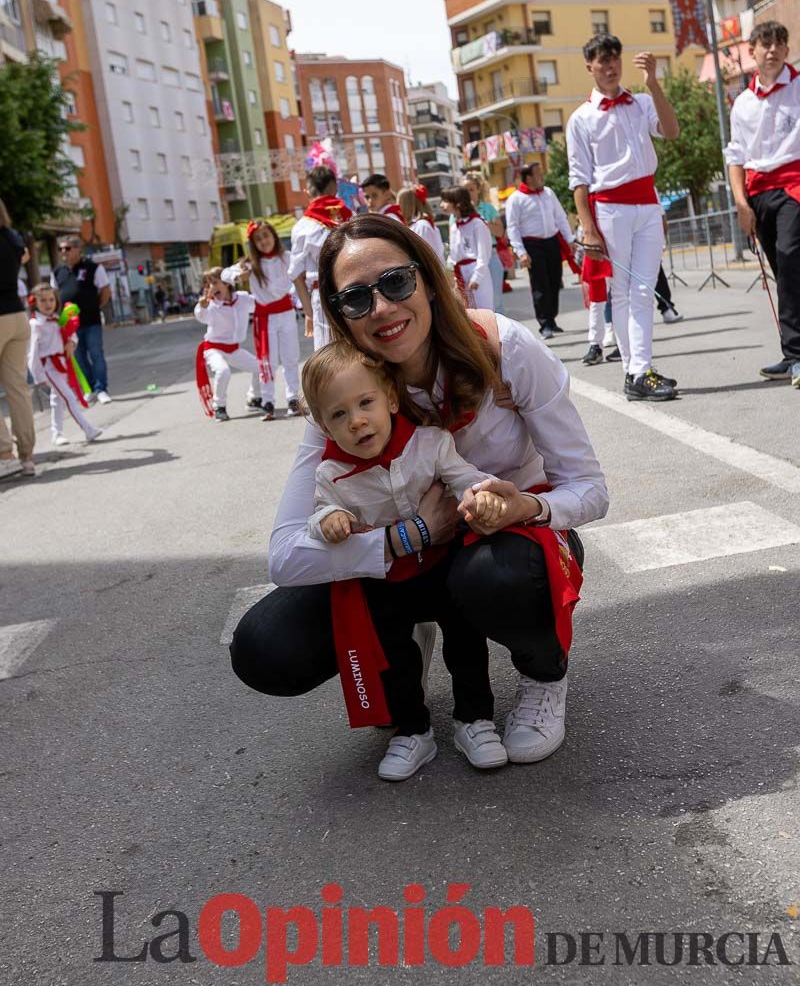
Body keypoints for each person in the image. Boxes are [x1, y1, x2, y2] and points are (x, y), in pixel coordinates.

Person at [230, 214, 609, 781]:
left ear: (428, 280)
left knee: (493, 579)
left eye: (397, 282)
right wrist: (411, 535)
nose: (381, 307)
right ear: (339, 316)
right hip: (405, 559)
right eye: (356, 298)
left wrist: (527, 507)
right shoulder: (340, 393)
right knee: (265, 646)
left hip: (505, 543)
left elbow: (591, 489)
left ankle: (542, 675)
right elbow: (286, 555)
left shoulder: (506, 349)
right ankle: (410, 633)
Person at [302, 341, 509, 778]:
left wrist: (481, 493)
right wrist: (331, 519)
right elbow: (317, 514)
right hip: (386, 580)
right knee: (394, 657)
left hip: (442, 566)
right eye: (339, 415)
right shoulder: (331, 474)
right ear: (323, 426)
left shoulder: (430, 443)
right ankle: (412, 730)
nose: (356, 420)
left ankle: (475, 719)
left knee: (466, 641)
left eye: (365, 403)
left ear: (391, 400)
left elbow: (463, 476)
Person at [567, 34, 680, 402]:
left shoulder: (641, 102)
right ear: (590, 67)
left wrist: (653, 82)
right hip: (610, 208)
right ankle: (636, 370)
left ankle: (637, 371)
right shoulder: (581, 119)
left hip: (647, 203)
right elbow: (579, 180)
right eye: (602, 60)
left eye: (614, 57)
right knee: (624, 292)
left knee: (644, 290)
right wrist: (587, 228)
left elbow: (671, 131)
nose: (610, 65)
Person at [726, 20, 800, 388]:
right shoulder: (742, 103)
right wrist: (742, 204)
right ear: (751, 51)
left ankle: (798, 354)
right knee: (781, 270)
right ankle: (791, 354)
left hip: (795, 187)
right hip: (758, 193)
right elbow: (735, 156)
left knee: (790, 260)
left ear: (787, 50)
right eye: (764, 44)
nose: (771, 50)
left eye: (778, 44)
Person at [230, 220, 302, 421]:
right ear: (253, 243)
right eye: (258, 238)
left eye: (266, 235)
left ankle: (293, 398)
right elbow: (227, 274)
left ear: (274, 236)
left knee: (290, 357)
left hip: (286, 314)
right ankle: (268, 400)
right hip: (266, 318)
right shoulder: (251, 264)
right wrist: (238, 275)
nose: (263, 241)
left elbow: (296, 278)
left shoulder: (286, 257)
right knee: (267, 361)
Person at [505, 164, 575, 340]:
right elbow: (513, 227)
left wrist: (570, 239)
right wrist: (520, 251)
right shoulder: (516, 199)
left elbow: (560, 217)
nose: (541, 176)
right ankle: (544, 323)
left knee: (554, 281)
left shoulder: (548, 193)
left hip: (551, 242)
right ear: (528, 177)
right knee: (540, 285)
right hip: (532, 245)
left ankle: (552, 319)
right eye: (538, 174)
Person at [27, 284, 103, 446]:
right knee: (69, 396)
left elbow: (71, 335)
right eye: (43, 301)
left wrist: (71, 343)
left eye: (51, 299)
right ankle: (88, 429)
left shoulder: (58, 319)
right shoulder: (35, 324)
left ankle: (56, 433)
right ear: (34, 303)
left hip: (63, 365)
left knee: (58, 400)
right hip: (48, 367)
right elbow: (32, 351)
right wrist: (37, 375)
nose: (48, 304)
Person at [287, 166, 351, 350]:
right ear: (334, 188)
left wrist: (309, 313)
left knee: (329, 355)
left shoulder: (303, 226)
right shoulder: (351, 218)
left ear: (309, 191)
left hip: (323, 296)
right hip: (355, 290)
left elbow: (296, 276)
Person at [194, 267, 268, 422]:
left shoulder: (241, 298)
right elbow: (202, 316)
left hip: (234, 349)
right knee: (223, 371)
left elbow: (260, 303)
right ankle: (219, 406)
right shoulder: (211, 305)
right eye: (208, 285)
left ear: (227, 283)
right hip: (213, 348)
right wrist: (202, 306)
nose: (211, 288)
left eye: (215, 282)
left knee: (259, 367)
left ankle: (254, 398)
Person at [52, 236, 112, 404]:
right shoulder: (58, 272)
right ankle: (90, 389)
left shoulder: (93, 268)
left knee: (96, 354)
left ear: (78, 250)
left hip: (91, 320)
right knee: (79, 357)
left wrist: (96, 306)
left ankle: (101, 389)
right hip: (70, 325)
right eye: (61, 249)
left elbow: (105, 290)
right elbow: (55, 296)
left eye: (68, 248)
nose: (64, 252)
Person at [0, 198, 36, 479]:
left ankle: (3, 454)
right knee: (18, 387)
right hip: (17, 316)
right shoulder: (12, 239)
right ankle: (27, 457)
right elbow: (24, 256)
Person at [441, 185, 494, 310]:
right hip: (460, 274)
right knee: (467, 311)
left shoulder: (477, 224)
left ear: (458, 204)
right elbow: (454, 254)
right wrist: (449, 272)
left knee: (483, 309)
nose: (441, 205)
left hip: (476, 271)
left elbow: (484, 254)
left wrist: (477, 277)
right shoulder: (454, 226)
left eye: (446, 201)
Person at [460, 172, 505, 313]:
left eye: (471, 189)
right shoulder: (458, 212)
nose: (468, 194)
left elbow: (500, 231)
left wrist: (481, 221)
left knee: (496, 300)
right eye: (464, 191)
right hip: (470, 260)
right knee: (474, 303)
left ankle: (499, 333)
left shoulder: (488, 208)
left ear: (478, 189)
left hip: (490, 256)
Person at [397, 187, 445, 262]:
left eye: (399, 204)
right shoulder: (418, 225)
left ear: (406, 205)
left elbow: (426, 256)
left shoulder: (422, 226)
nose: (397, 208)